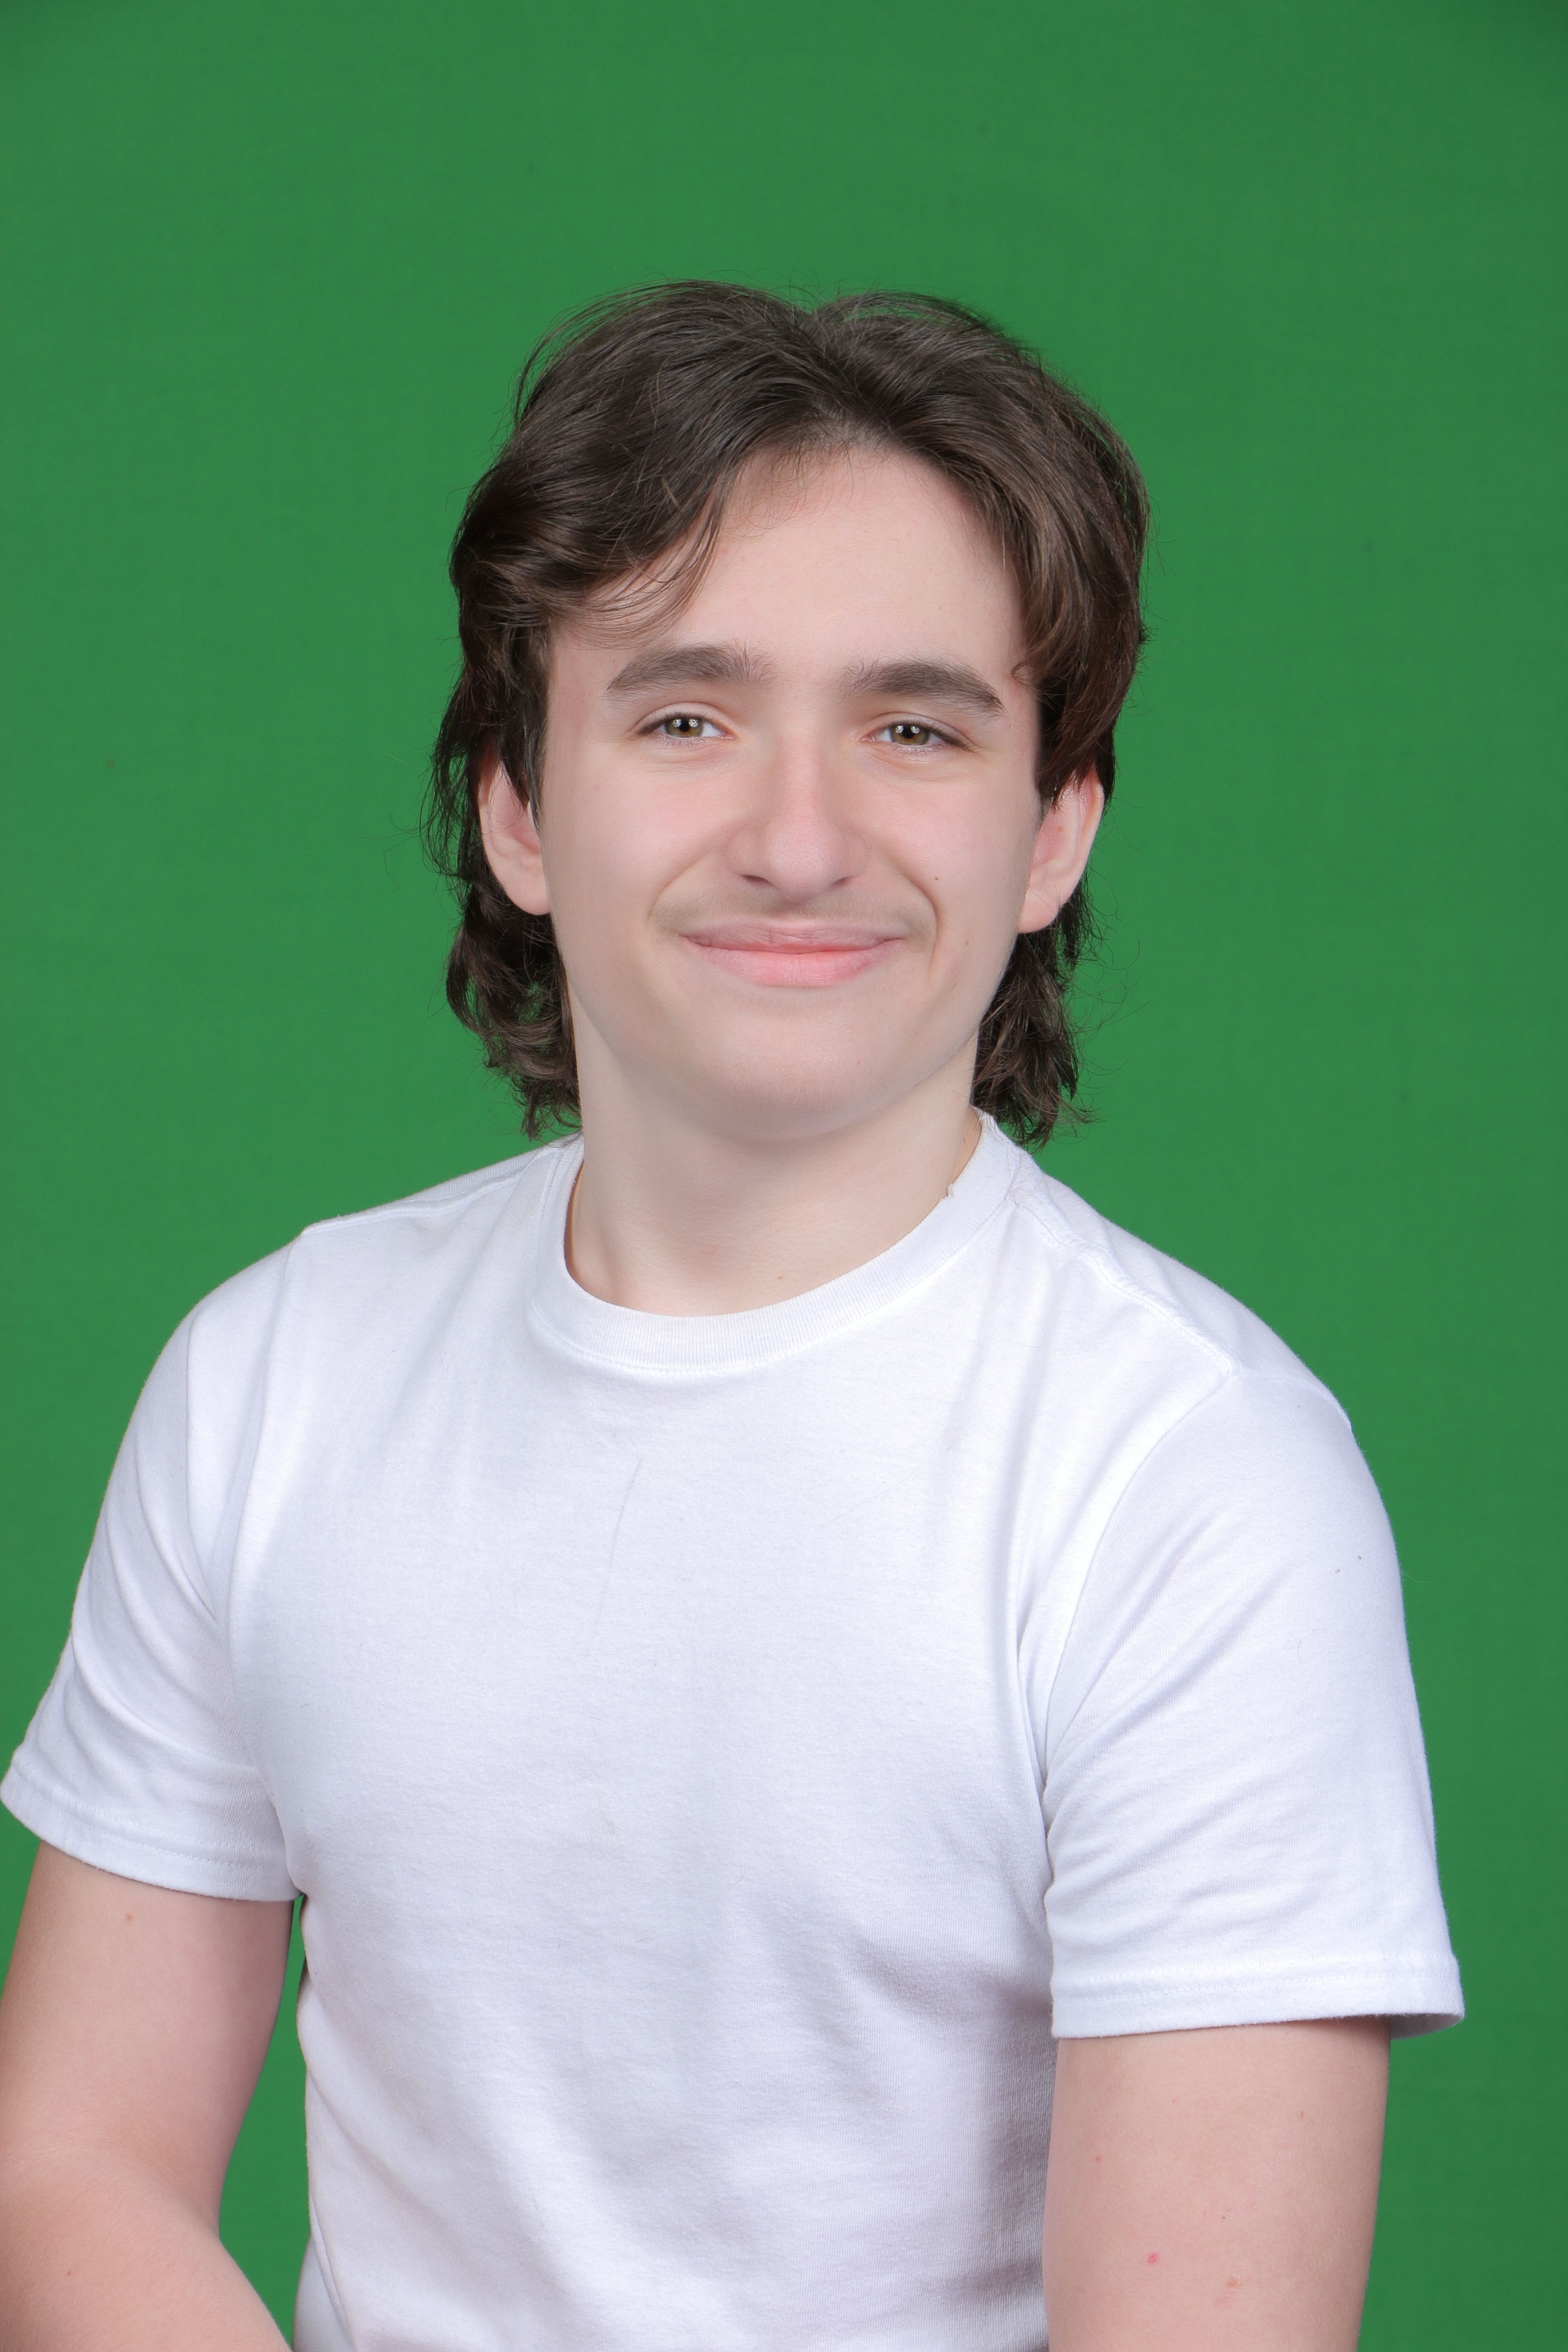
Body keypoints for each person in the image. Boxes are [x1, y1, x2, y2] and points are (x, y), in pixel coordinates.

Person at [0, 282, 1460, 2352]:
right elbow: (76, 2165)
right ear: (518, 807)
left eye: (915, 728)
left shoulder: (1198, 1481)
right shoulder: (278, 1375)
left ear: (1056, 828)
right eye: (687, 717)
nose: (798, 840)